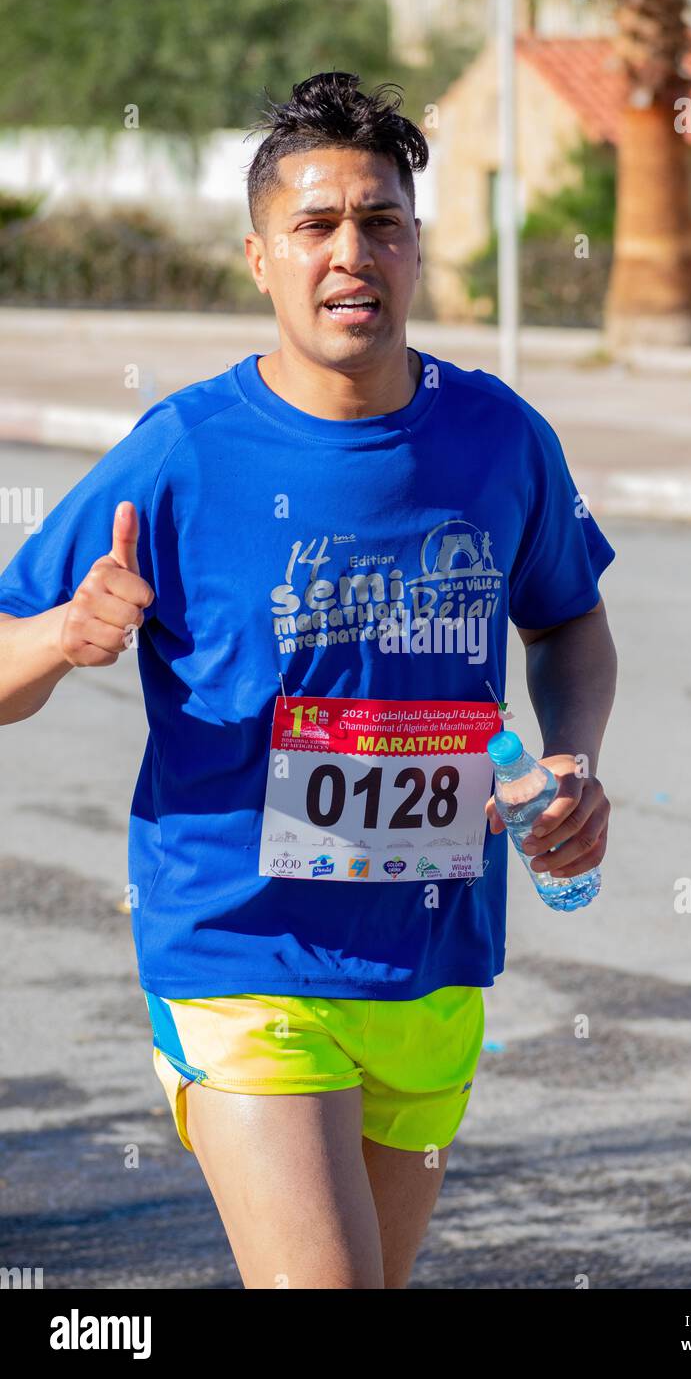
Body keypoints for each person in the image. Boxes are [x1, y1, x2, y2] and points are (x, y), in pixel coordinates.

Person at [0, 71, 618, 1289]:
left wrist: (573, 758)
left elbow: (571, 622)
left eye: (381, 222)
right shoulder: (184, 450)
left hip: (434, 960)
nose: (352, 252)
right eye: (315, 225)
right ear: (258, 257)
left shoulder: (497, 436)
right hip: (239, 955)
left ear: (415, 245)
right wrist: (67, 630)